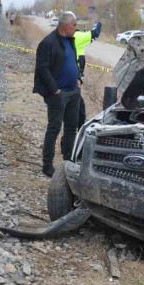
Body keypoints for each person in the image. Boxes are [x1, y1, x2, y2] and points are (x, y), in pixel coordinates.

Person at [33, 12, 81, 177]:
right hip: (58, 95)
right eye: (74, 25)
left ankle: (68, 161)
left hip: (73, 92)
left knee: (71, 128)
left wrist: (77, 78)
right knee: (54, 128)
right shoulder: (48, 43)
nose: (76, 28)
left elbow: (71, 61)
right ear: (65, 25)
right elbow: (42, 68)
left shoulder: (70, 40)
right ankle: (47, 165)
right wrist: (55, 90)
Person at [72, 22, 102, 126]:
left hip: (66, 76)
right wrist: (98, 24)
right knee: (78, 111)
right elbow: (95, 34)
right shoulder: (77, 36)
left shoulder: (62, 36)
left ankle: (71, 134)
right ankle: (76, 134)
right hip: (74, 78)